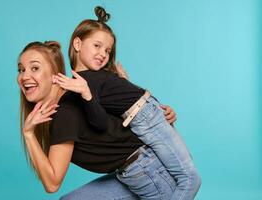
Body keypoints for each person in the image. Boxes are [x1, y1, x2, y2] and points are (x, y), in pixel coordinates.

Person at [53, 6, 201, 200]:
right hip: (141, 122)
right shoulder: (82, 83)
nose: (103, 54)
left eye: (108, 50)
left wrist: (161, 110)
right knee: (186, 177)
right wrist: (86, 94)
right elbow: (100, 121)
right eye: (97, 46)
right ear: (77, 43)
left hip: (147, 115)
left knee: (187, 175)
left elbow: (130, 102)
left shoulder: (95, 79)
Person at [17, 41, 179, 199]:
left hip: (153, 172)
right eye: (21, 69)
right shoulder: (72, 97)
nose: (24, 76)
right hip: (130, 173)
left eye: (35, 68)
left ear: (55, 75)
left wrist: (28, 133)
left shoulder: (65, 113)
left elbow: (52, 184)